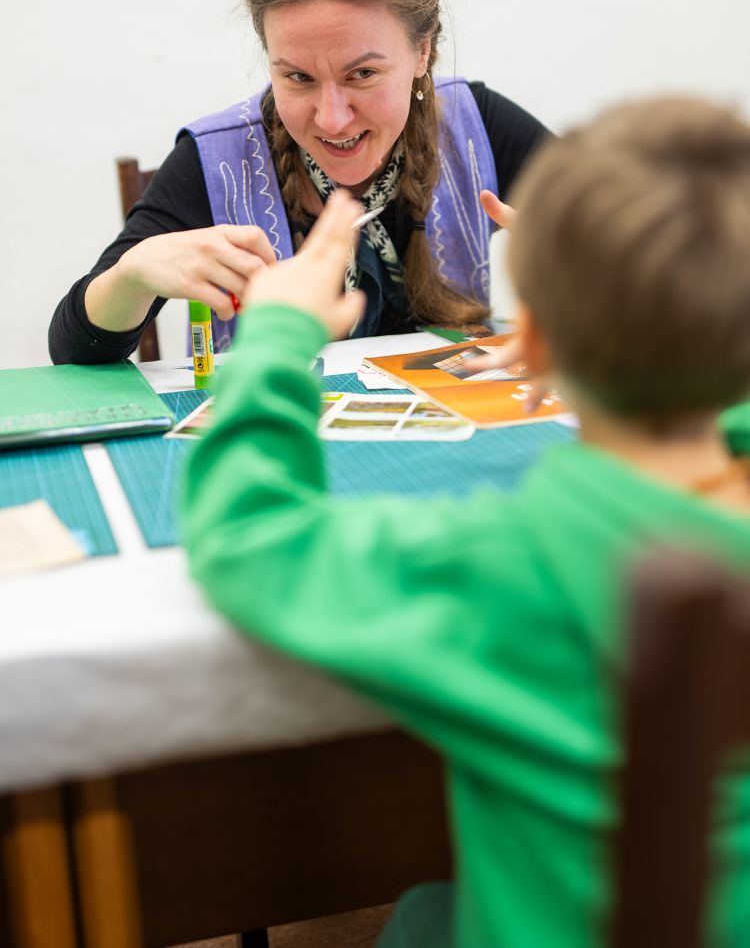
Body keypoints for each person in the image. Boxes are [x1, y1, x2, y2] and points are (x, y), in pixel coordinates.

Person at [182, 95, 750, 947]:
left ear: (534, 342)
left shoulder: (503, 561)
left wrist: (274, 342)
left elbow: (249, 535)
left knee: (422, 919)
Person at [48, 0, 548, 364]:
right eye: (298, 78)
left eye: (362, 74)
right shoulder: (218, 160)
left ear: (422, 51)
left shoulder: (474, 124)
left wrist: (580, 271)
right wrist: (132, 277)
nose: (331, 118)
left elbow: (601, 241)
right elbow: (73, 352)